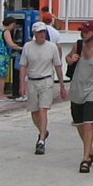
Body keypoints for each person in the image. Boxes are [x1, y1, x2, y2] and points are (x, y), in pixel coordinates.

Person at [66, 31, 93, 173]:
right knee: (79, 124)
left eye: (86, 31)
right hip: (77, 90)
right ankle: (90, 151)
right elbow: (68, 58)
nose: (83, 34)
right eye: (82, 31)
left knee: (89, 124)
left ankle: (85, 159)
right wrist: (71, 59)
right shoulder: (78, 45)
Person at [22, 21, 66, 154]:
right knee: (34, 111)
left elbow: (58, 66)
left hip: (46, 80)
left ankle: (41, 140)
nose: (42, 34)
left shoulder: (52, 47)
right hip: (32, 80)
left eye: (44, 32)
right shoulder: (28, 46)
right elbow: (23, 66)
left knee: (42, 110)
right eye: (40, 32)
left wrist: (62, 85)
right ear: (34, 33)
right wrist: (22, 84)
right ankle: (43, 130)